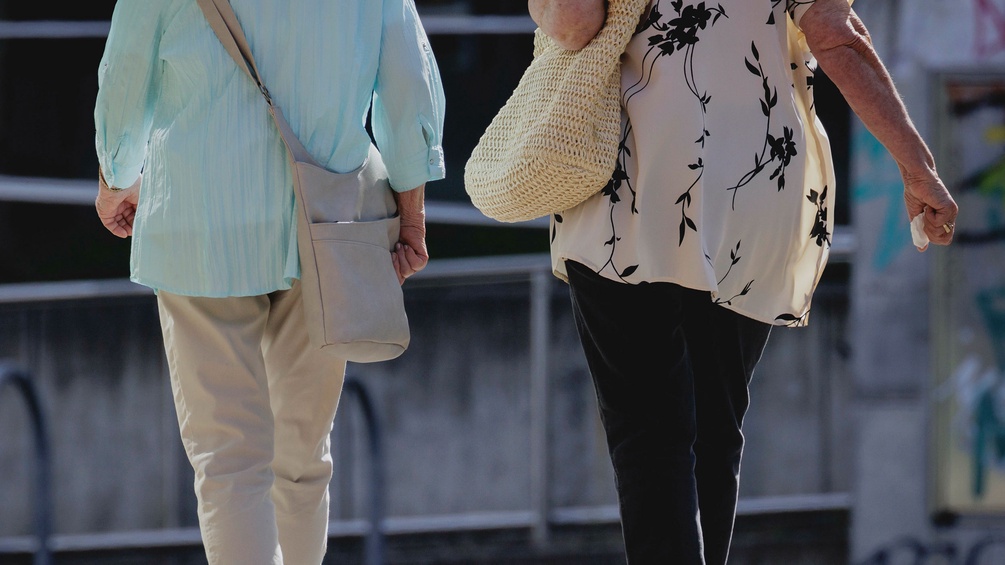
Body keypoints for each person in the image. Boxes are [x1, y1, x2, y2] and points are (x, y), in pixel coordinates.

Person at [529, 0, 958, 563]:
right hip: (754, 188)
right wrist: (918, 168)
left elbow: (572, 19)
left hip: (629, 190)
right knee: (714, 427)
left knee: (649, 440)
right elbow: (836, 36)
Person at [93, 1, 444, 563]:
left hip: (200, 220)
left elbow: (127, 71)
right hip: (328, 224)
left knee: (230, 463)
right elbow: (408, 79)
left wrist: (117, 174)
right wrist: (411, 210)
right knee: (302, 460)